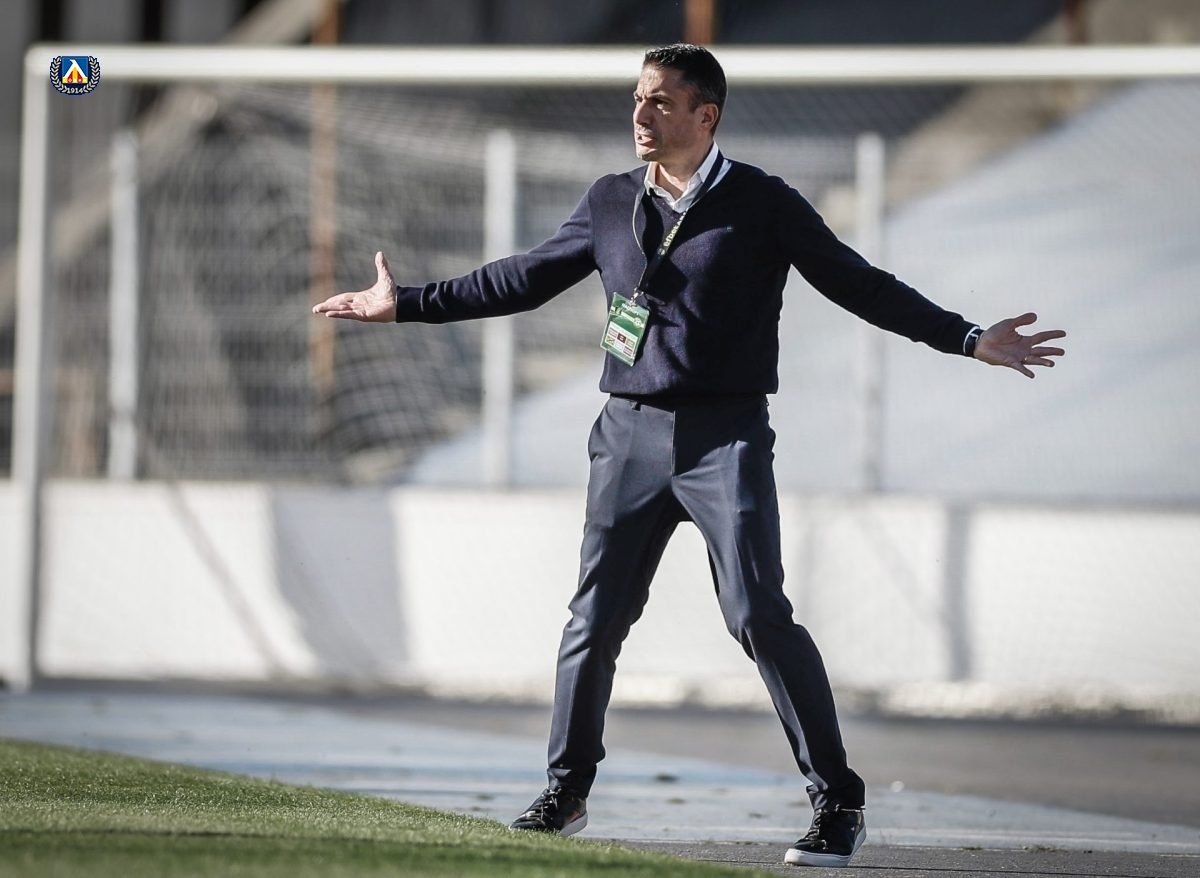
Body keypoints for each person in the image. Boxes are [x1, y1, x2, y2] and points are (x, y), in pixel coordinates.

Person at [313, 43, 1066, 869]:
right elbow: (523, 279)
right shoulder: (610, 200)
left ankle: (837, 802)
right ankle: (565, 793)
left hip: (725, 437)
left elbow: (858, 282)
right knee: (593, 620)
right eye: (638, 99)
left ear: (706, 116)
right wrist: (407, 303)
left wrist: (965, 336)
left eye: (662, 103)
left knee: (757, 614)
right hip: (627, 436)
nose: (642, 115)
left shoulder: (763, 203)